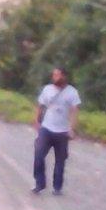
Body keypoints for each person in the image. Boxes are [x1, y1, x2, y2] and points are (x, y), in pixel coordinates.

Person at [32, 67, 81, 196]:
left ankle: (57, 187)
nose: (55, 77)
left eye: (58, 75)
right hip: (46, 128)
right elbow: (40, 105)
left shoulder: (72, 92)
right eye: (54, 75)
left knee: (60, 160)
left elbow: (74, 111)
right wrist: (37, 121)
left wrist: (71, 128)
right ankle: (39, 184)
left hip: (62, 131)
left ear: (64, 76)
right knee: (38, 155)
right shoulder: (47, 89)